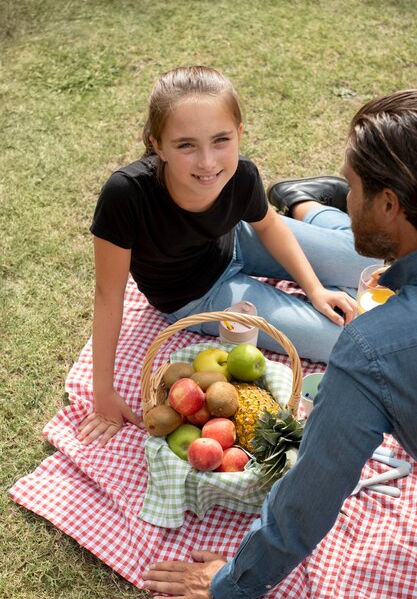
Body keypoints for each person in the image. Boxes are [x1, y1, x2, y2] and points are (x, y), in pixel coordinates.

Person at [142, 89, 417, 599]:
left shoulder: (369, 352)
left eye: (352, 189)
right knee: (355, 253)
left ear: (387, 202)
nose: (351, 199)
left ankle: (309, 204)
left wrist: (232, 586)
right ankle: (311, 203)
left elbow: (309, 496)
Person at [77, 65, 375, 447]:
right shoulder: (126, 196)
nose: (207, 162)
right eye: (186, 145)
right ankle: (311, 207)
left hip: (240, 237)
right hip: (198, 293)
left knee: (377, 262)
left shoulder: (241, 174)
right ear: (157, 144)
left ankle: (302, 202)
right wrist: (103, 392)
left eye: (221, 140)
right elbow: (108, 293)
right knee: (342, 340)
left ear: (239, 133)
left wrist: (315, 289)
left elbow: (267, 226)